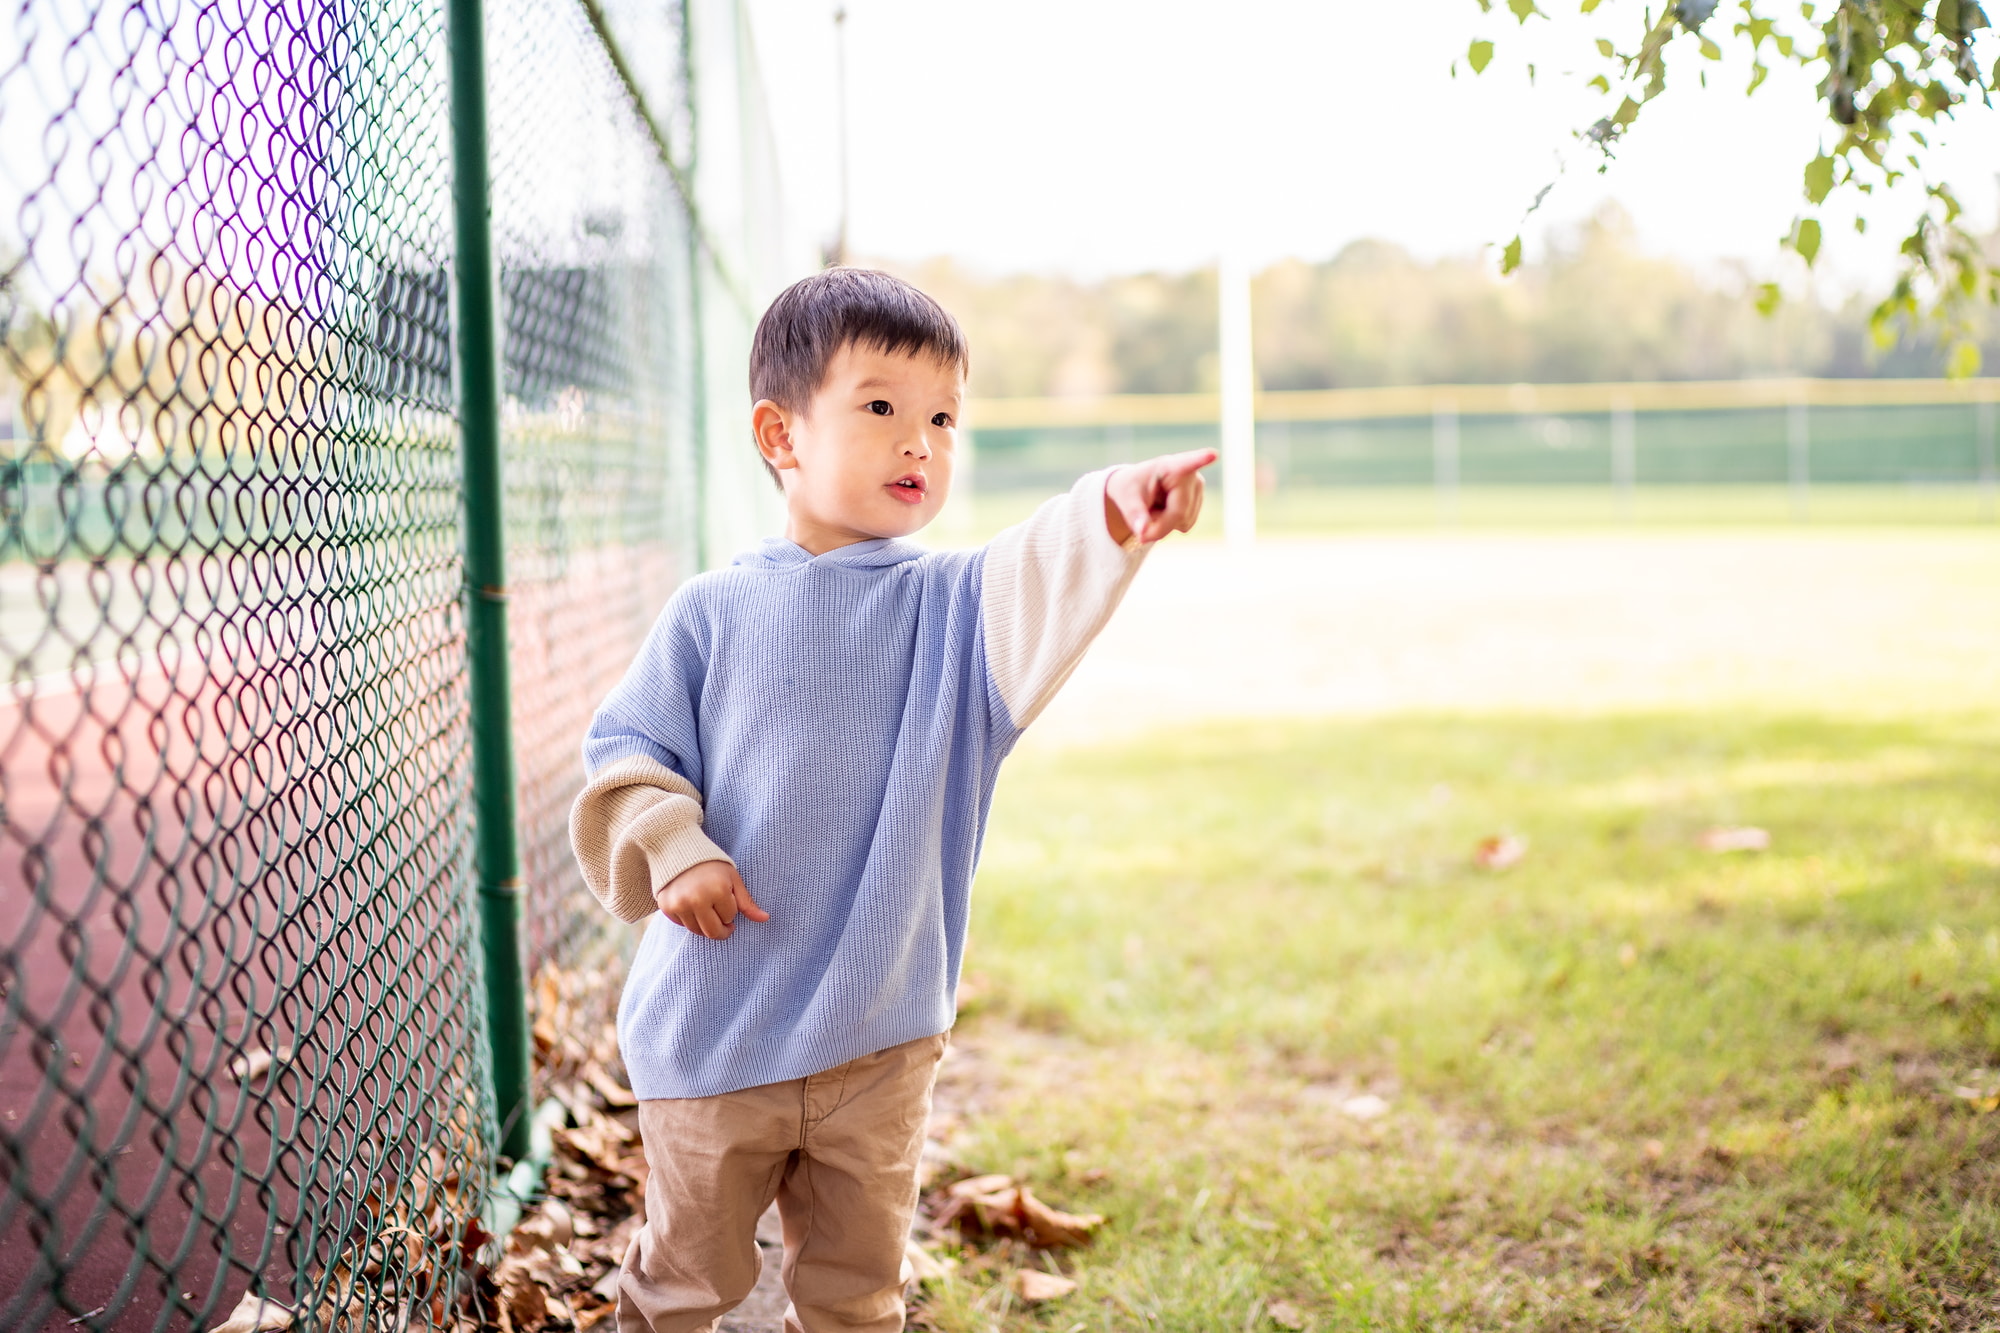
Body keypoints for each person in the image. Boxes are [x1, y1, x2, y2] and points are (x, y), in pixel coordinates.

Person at [569, 267, 1211, 1333]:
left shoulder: (955, 615)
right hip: (715, 1033)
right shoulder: (711, 612)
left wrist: (1116, 506)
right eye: (880, 407)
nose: (920, 442)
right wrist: (675, 843)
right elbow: (626, 749)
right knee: (682, 1284)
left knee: (856, 1297)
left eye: (943, 418)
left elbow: (1042, 566)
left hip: (877, 1042)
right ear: (780, 435)